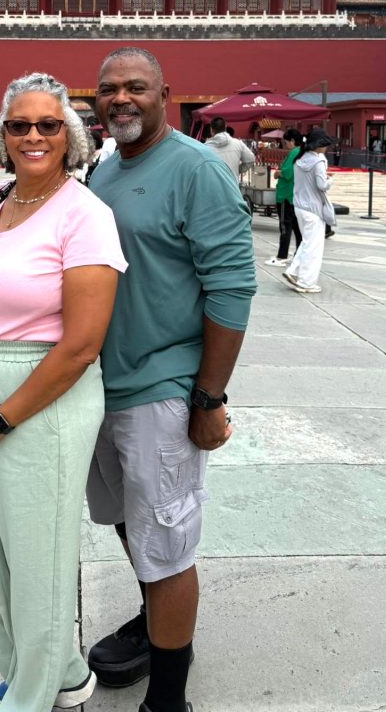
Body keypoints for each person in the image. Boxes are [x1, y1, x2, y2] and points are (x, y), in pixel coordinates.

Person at [0, 72, 127, 712]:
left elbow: (80, 346)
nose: (34, 136)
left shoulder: (86, 216)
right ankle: (59, 671)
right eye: (20, 125)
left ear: (69, 135)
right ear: (2, 135)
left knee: (39, 563)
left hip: (45, 391)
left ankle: (31, 696)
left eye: (48, 125)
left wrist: (1, 420)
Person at [86, 47, 256, 712]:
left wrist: (209, 397)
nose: (121, 99)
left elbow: (233, 287)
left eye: (136, 88)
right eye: (109, 90)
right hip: (103, 383)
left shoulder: (195, 170)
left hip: (164, 384)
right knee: (132, 525)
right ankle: (153, 620)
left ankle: (168, 694)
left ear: (165, 95)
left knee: (167, 542)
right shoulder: (104, 169)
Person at [282, 128, 336, 295]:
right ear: (319, 146)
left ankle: (294, 270)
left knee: (307, 242)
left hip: (299, 207)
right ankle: (306, 282)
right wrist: (330, 180)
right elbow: (321, 185)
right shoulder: (318, 162)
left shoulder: (299, 160)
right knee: (314, 247)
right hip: (313, 209)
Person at [265, 128, 302, 267]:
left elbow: (287, 173)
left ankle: (281, 256)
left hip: (286, 195)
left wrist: (278, 173)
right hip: (294, 196)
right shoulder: (300, 153)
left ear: (292, 141)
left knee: (285, 227)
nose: (285, 146)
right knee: (297, 228)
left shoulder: (294, 153)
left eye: (286, 143)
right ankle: (299, 254)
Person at [203, 115, 255, 181]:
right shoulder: (238, 143)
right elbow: (250, 159)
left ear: (211, 130)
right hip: (232, 187)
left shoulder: (204, 148)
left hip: (213, 187)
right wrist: (237, 170)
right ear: (225, 127)